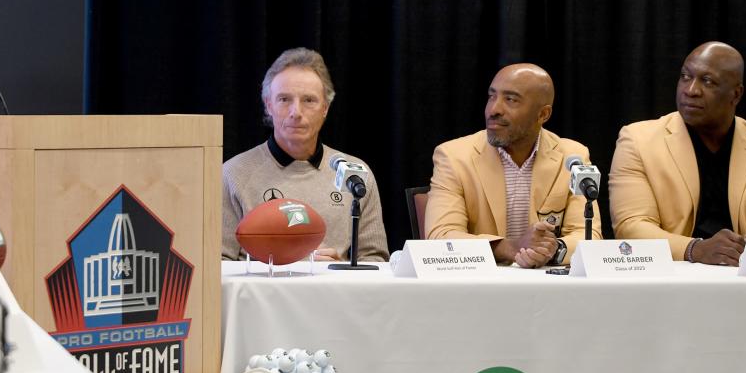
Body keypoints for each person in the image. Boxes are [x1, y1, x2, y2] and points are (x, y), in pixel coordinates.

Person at [609, 41, 746, 266]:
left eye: (707, 81)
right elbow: (632, 226)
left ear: (736, 95)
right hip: (674, 279)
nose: (691, 90)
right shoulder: (638, 141)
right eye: (685, 77)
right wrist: (695, 249)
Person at [222, 48, 388, 262]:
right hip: (262, 295)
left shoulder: (356, 175)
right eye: (284, 99)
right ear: (268, 105)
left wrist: (339, 268)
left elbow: (376, 260)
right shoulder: (233, 174)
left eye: (309, 100)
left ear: (325, 108)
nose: (296, 112)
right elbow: (217, 264)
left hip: (336, 295)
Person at [425, 63, 590, 268]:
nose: (493, 110)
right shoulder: (454, 156)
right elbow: (440, 237)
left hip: (546, 287)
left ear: (543, 115)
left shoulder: (573, 157)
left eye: (510, 99)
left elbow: (588, 234)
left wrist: (551, 249)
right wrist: (510, 248)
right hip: (479, 286)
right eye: (492, 96)